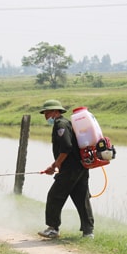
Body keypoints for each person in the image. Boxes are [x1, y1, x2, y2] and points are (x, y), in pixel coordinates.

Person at [38, 100, 94, 239]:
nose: (45, 115)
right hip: (80, 167)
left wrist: (55, 165)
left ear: (56, 112)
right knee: (81, 198)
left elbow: (66, 147)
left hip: (71, 169)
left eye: (47, 112)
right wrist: (56, 164)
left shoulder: (60, 124)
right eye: (45, 113)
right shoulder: (66, 123)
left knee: (54, 196)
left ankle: (53, 228)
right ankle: (88, 232)